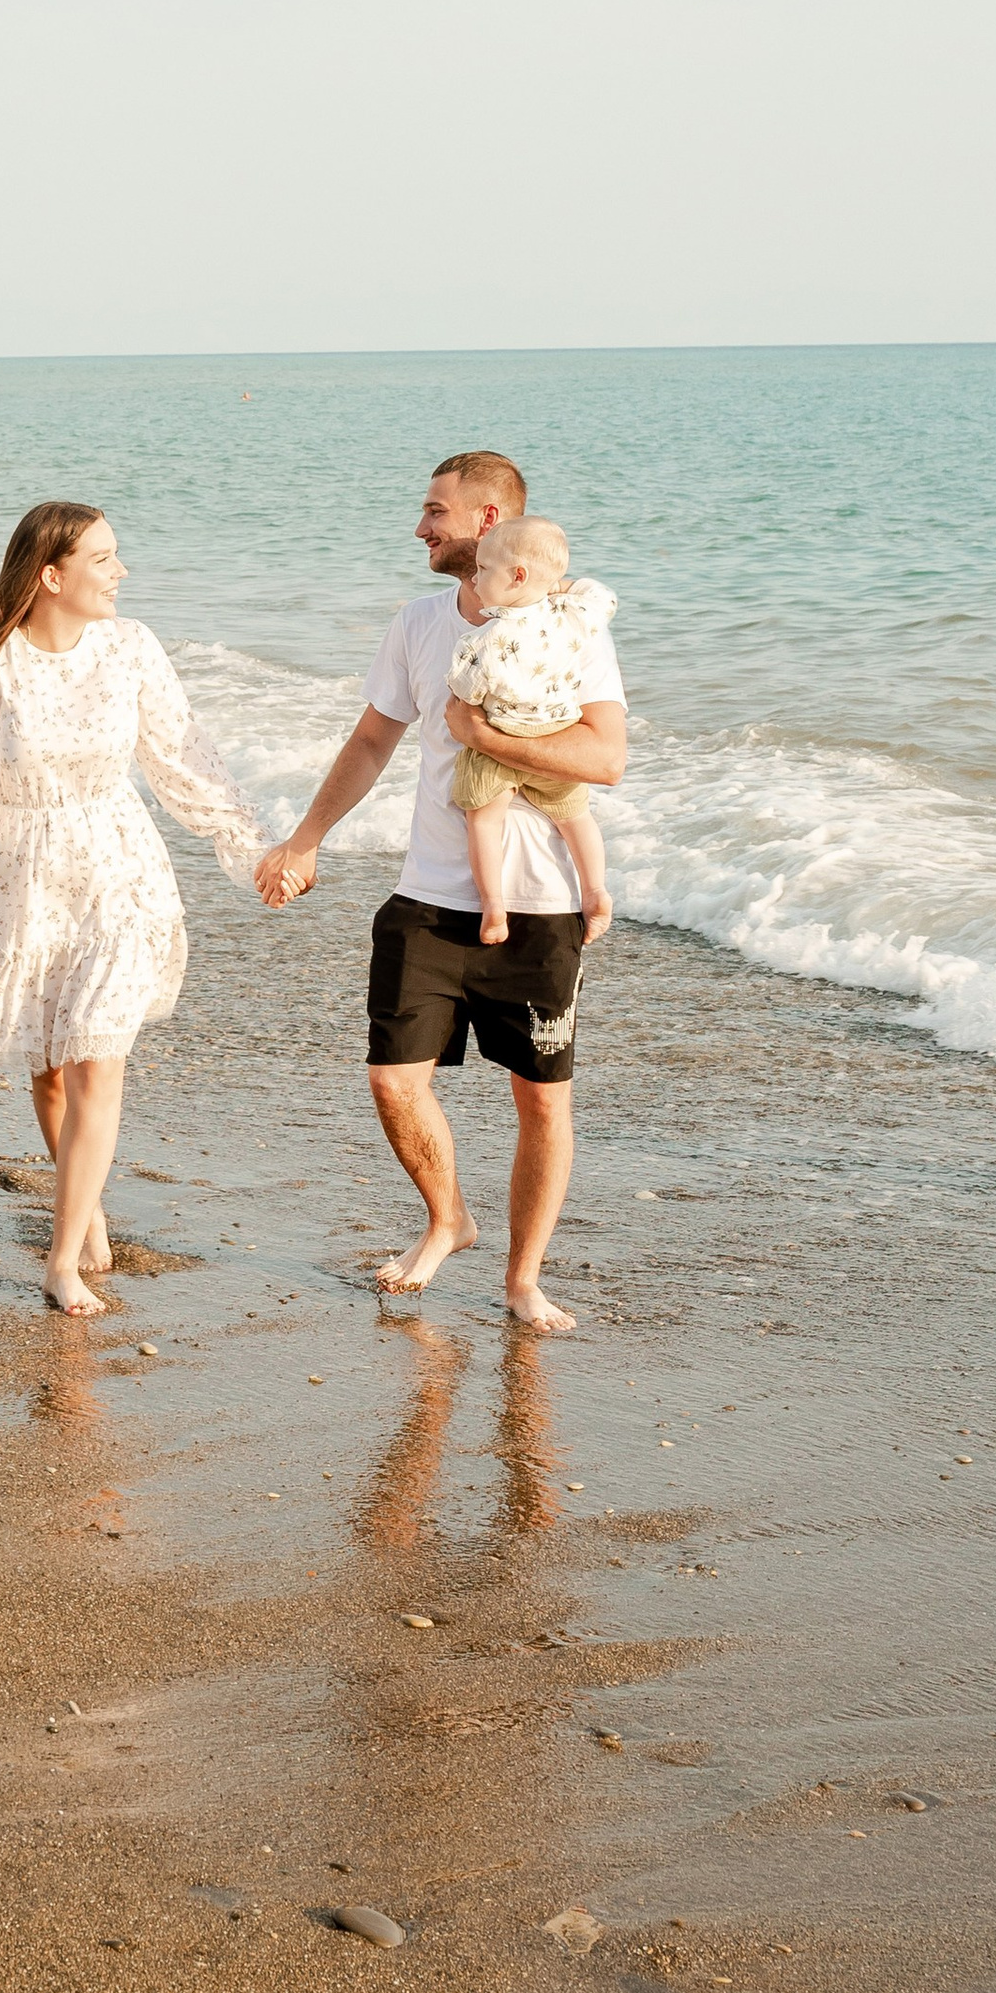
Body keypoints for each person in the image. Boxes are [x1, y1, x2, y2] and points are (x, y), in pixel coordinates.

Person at [253, 451, 627, 1333]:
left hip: (539, 905)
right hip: (428, 893)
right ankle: (447, 1219)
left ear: (489, 522)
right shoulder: (418, 625)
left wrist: (481, 733)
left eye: (434, 509)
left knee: (542, 1098)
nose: (420, 525)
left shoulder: (575, 631)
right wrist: (305, 838)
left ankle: (522, 1278)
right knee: (393, 1080)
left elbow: (604, 760)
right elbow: (372, 742)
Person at [0, 500, 263, 1318]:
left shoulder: (130, 646)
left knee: (98, 1053)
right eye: (104, 559)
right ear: (52, 575)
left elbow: (183, 756)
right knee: (49, 1069)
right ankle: (89, 1204)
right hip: (25, 880)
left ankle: (60, 1256)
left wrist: (255, 851)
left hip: (120, 870)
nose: (122, 572)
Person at [447, 514, 617, 946]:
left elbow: (465, 688)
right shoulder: (574, 617)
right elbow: (602, 596)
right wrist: (556, 586)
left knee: (483, 819)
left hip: (500, 737)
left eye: (483, 569)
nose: (474, 576)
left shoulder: (485, 639)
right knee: (576, 817)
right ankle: (595, 891)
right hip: (556, 732)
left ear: (517, 576)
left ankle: (494, 907)